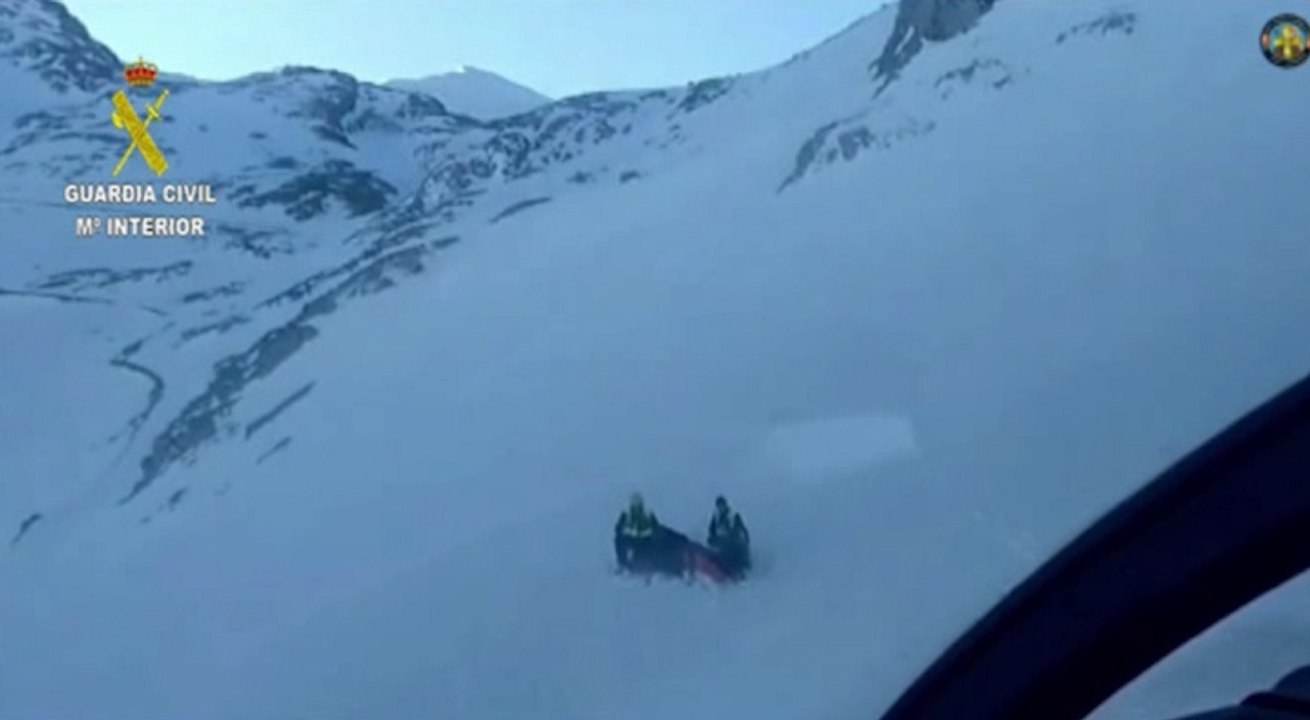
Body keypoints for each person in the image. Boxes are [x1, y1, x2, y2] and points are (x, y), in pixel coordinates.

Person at [706, 495, 751, 579]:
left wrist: (733, 538)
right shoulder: (716, 517)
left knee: (733, 550)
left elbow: (739, 529)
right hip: (723, 541)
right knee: (719, 550)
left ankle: (739, 570)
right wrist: (712, 538)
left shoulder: (732, 515)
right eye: (719, 506)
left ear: (725, 505)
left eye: (722, 506)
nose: (720, 508)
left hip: (735, 542)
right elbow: (712, 530)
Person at [614, 492, 660, 571]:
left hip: (646, 540)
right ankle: (623, 564)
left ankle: (654, 563)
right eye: (634, 503)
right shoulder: (626, 513)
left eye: (638, 503)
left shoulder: (648, 513)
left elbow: (656, 529)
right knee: (618, 540)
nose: (636, 505)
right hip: (631, 540)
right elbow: (618, 528)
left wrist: (650, 534)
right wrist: (626, 532)